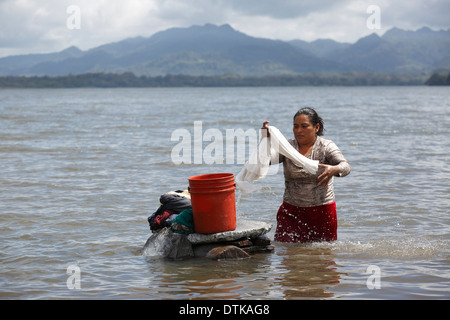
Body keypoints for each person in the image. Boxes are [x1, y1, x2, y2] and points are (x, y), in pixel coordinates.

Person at [262, 107, 350, 243]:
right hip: (291, 212)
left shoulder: (326, 147)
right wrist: (266, 140)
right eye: (295, 126)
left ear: (316, 127)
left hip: (321, 211)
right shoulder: (288, 147)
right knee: (288, 256)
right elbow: (264, 161)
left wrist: (334, 169)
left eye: (304, 126)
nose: (299, 130)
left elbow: (345, 166)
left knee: (322, 258)